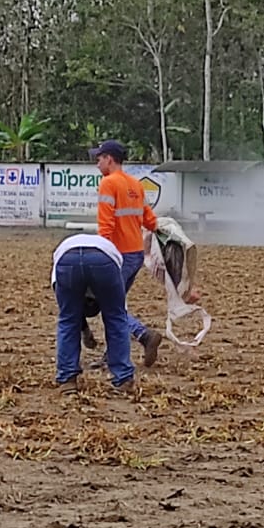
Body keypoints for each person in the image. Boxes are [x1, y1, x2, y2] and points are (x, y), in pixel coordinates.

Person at [86, 139, 163, 367]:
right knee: (114, 304)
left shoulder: (108, 184)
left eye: (99, 158)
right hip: (136, 254)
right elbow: (150, 221)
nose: (97, 163)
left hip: (117, 256)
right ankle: (112, 355)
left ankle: (144, 335)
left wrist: (101, 254)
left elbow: (106, 225)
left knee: (110, 306)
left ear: (109, 159)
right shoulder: (135, 184)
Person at [52, 231, 135, 395]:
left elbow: (69, 312)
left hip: (67, 259)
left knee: (68, 320)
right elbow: (119, 314)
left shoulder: (58, 270)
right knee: (115, 319)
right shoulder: (113, 260)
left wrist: (83, 330)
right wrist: (85, 331)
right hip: (104, 259)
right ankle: (123, 378)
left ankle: (67, 380)